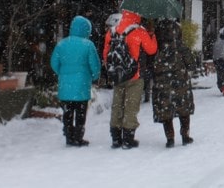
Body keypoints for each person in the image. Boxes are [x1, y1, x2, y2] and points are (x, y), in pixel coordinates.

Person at [103, 10, 157, 149]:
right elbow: (151, 50)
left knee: (117, 106)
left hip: (117, 75)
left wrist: (115, 68)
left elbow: (105, 54)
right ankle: (128, 138)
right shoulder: (139, 31)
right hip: (134, 75)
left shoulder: (112, 30)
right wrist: (152, 36)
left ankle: (115, 137)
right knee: (131, 107)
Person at [50, 16, 101, 147]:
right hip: (82, 85)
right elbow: (95, 65)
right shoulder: (88, 45)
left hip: (65, 86)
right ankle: (78, 137)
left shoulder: (62, 44)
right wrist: (94, 76)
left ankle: (69, 136)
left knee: (67, 112)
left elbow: (54, 62)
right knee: (80, 112)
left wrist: (62, 73)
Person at [152, 20, 195, 148]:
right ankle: (185, 136)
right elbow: (191, 64)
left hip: (162, 84)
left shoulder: (157, 47)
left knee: (166, 110)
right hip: (180, 83)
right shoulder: (181, 47)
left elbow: (151, 66)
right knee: (183, 110)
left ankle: (170, 138)